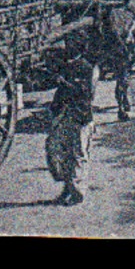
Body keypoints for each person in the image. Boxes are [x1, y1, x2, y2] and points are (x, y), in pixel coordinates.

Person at [46, 55, 97, 206]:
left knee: (79, 153)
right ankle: (68, 188)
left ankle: (78, 192)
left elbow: (85, 92)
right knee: (62, 152)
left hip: (80, 115)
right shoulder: (67, 65)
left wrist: (64, 82)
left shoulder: (87, 68)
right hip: (65, 114)